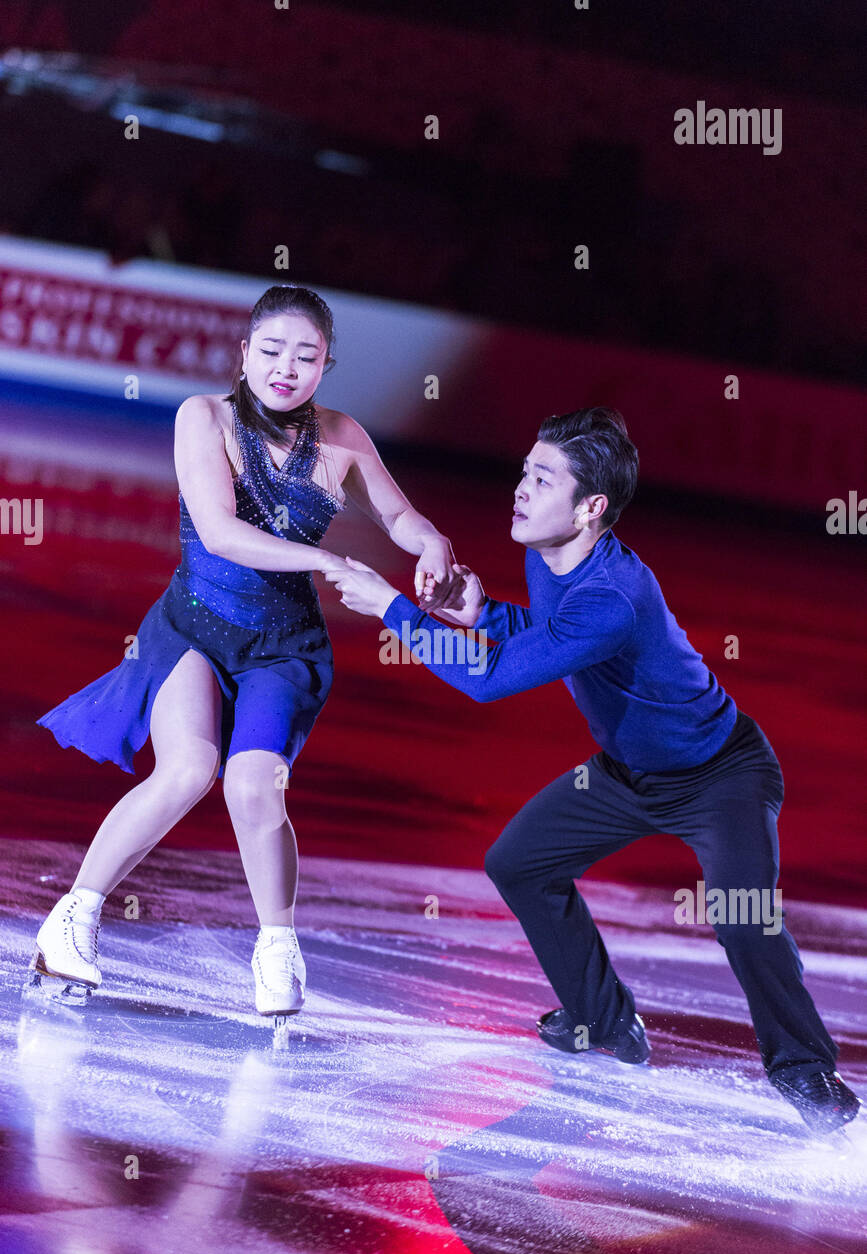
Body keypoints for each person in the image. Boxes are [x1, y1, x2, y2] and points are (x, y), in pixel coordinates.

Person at [323, 407, 860, 1134]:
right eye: (523, 471)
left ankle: (806, 1074)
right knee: (518, 863)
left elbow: (489, 681)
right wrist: (480, 609)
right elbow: (547, 640)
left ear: (590, 508)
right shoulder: (545, 555)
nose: (519, 489)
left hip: (719, 776)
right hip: (627, 774)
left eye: (541, 480)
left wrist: (393, 608)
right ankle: (604, 1023)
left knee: (741, 919)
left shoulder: (612, 594)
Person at [33, 284, 462, 1022]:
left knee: (253, 788)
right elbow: (222, 532)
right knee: (191, 769)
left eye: (306, 356)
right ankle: (73, 917)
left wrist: (434, 549)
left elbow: (400, 516)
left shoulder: (342, 437)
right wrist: (331, 566)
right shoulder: (202, 417)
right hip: (192, 628)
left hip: (285, 649)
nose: (286, 369)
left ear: (327, 364)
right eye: (271, 351)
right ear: (243, 352)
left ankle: (277, 948)